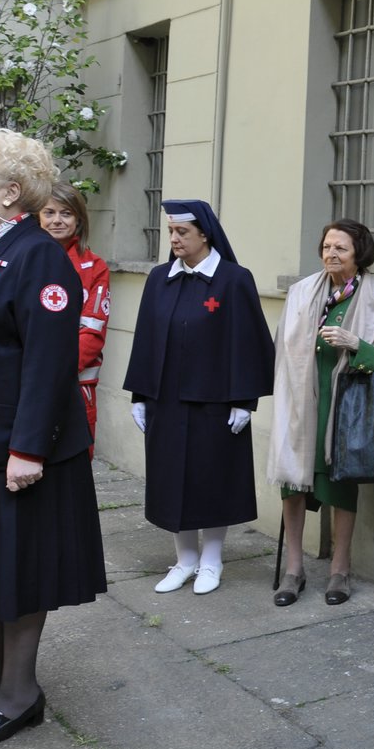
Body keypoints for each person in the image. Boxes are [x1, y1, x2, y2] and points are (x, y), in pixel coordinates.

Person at [0, 129, 106, 748]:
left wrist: (28, 450)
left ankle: (19, 694)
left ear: (11, 193)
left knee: (19, 573)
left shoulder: (38, 255)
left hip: (21, 449)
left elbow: (48, 362)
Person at [124, 199, 274, 596]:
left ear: (204, 234)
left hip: (215, 402)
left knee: (212, 481)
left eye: (182, 232)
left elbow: (248, 340)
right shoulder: (159, 278)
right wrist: (140, 395)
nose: (174, 239)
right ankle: (185, 560)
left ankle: (211, 561)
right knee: (173, 481)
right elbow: (146, 337)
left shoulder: (233, 280)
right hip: (166, 400)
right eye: (171, 232)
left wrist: (245, 400)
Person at [265, 220, 374, 607]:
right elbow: (280, 347)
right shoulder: (301, 293)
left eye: (340, 248)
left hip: (344, 410)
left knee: (341, 488)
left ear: (359, 253)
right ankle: (294, 570)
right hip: (300, 406)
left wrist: (355, 344)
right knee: (292, 487)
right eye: (326, 246)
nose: (331, 254)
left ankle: (339, 570)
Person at [38, 181, 110, 448]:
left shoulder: (95, 267)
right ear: (37, 217)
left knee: (75, 467)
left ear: (78, 220)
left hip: (75, 386)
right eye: (49, 212)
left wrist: (53, 372)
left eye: (66, 213)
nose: (57, 220)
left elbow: (93, 332)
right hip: (27, 384)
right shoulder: (25, 259)